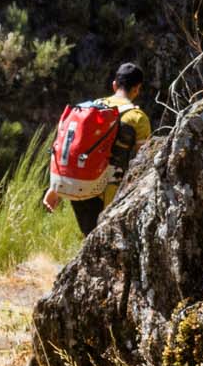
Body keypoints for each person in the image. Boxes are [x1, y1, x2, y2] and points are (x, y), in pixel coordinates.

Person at [43, 61, 153, 236]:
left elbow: (70, 146)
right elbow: (143, 161)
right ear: (137, 89)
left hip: (80, 186)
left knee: (90, 241)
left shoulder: (92, 107)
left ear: (114, 84)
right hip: (110, 194)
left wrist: (56, 188)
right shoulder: (138, 118)